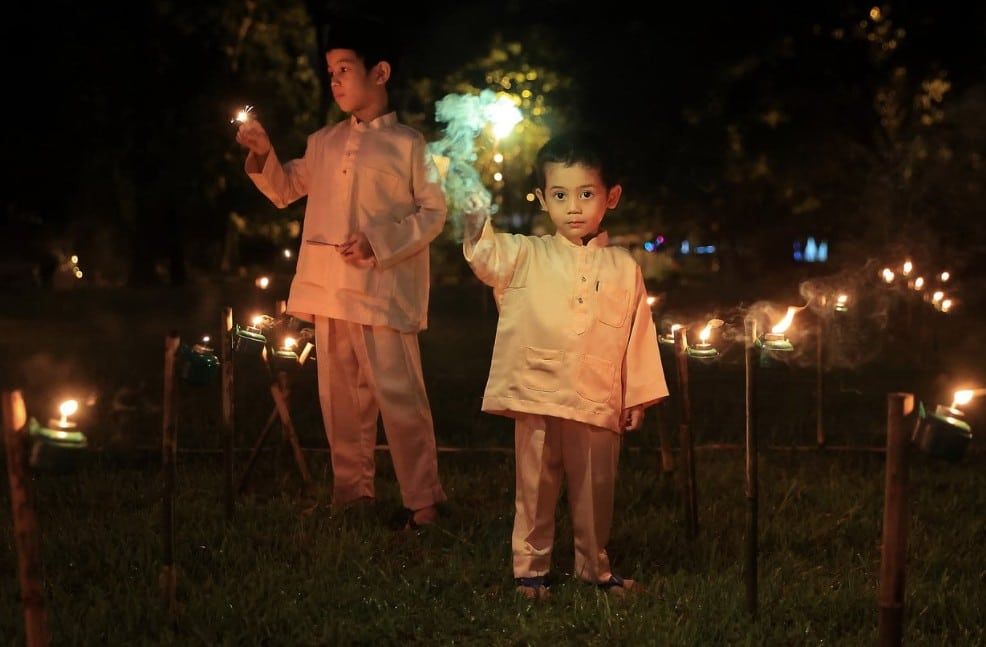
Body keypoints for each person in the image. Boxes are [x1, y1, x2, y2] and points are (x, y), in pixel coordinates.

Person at [235, 16, 446, 529]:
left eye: (345, 69)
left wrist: (379, 242)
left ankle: (424, 502)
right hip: (330, 291)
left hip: (382, 293)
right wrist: (263, 155)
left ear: (380, 72)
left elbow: (433, 213)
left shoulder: (408, 145)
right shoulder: (323, 142)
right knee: (340, 402)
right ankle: (351, 495)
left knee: (399, 398)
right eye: (330, 71)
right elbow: (286, 188)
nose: (335, 80)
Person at [463, 132, 668, 598]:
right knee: (534, 486)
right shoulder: (526, 253)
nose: (572, 207)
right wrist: (475, 219)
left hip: (597, 396)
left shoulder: (623, 267)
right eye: (559, 195)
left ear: (610, 197)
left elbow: (638, 332)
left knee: (596, 490)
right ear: (542, 199)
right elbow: (485, 255)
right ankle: (529, 569)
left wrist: (637, 393)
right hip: (537, 391)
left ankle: (593, 567)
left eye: (586, 193)